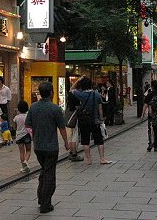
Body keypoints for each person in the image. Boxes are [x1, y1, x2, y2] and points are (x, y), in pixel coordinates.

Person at [25, 82, 69, 214]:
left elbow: (28, 125)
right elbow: (62, 128)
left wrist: (35, 135)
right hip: (51, 146)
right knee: (49, 173)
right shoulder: (55, 108)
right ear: (51, 92)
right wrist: (66, 142)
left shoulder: (33, 107)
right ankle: (45, 203)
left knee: (44, 170)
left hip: (38, 146)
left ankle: (41, 197)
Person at [71, 76, 112, 165]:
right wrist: (101, 118)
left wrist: (78, 80)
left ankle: (88, 160)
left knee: (85, 141)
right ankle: (102, 158)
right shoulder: (96, 94)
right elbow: (100, 107)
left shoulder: (80, 94)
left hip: (84, 121)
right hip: (95, 121)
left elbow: (71, 89)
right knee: (99, 140)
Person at [13, 100, 32, 173]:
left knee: (21, 152)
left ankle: (23, 167)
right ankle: (26, 161)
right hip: (27, 135)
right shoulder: (28, 116)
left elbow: (15, 127)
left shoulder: (16, 118)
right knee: (28, 150)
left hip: (19, 136)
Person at [141, 79, 157, 152]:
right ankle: (156, 145)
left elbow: (145, 105)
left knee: (150, 129)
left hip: (151, 115)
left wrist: (142, 114)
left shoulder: (150, 94)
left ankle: (150, 144)